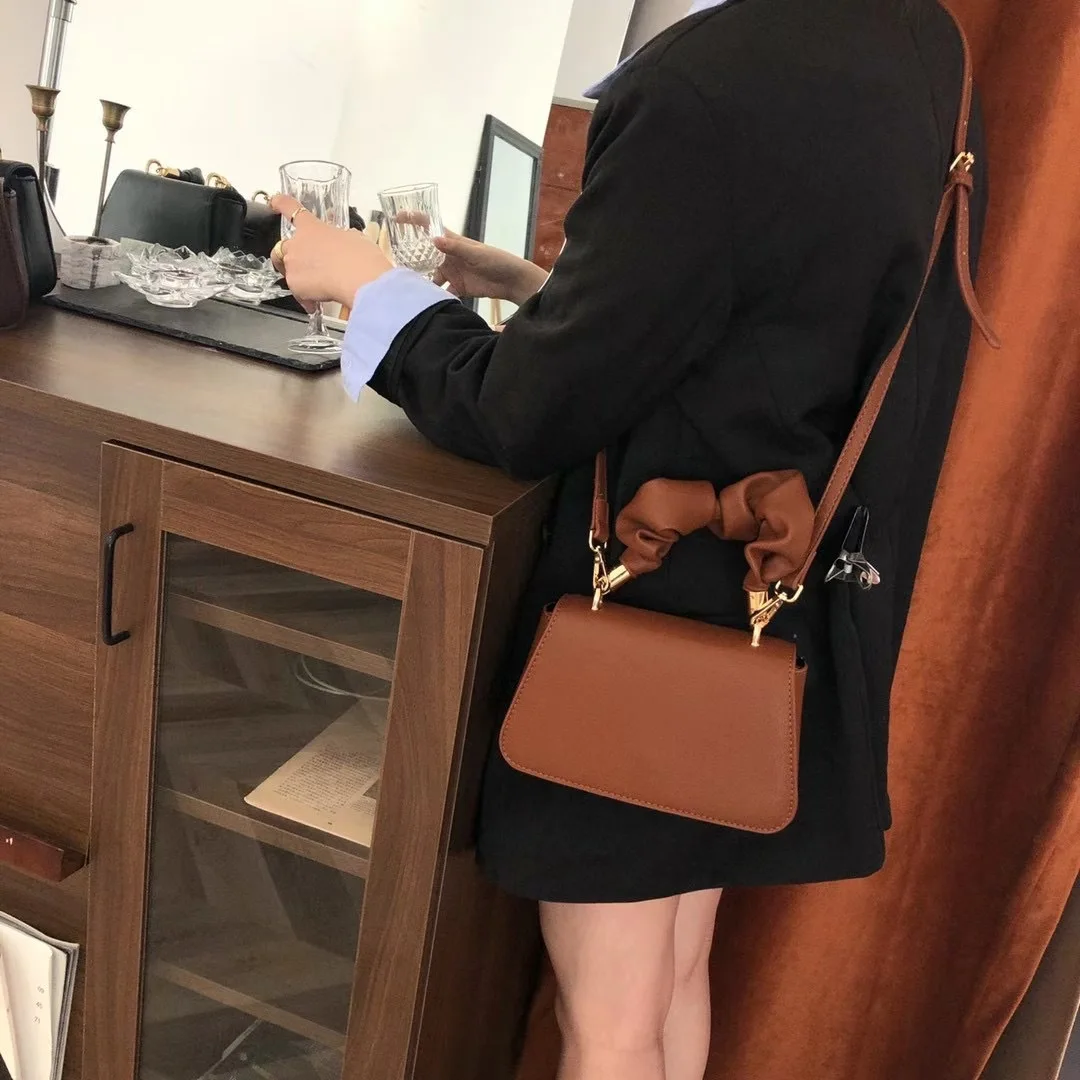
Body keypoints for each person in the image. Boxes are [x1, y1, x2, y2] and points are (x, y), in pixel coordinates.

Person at [270, 1, 990, 1076]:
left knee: (608, 1024)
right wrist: (539, 292)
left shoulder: (706, 79)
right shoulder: (920, 44)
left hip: (647, 630)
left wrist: (369, 287)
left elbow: (524, 416)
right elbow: (775, 317)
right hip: (759, 630)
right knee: (671, 978)